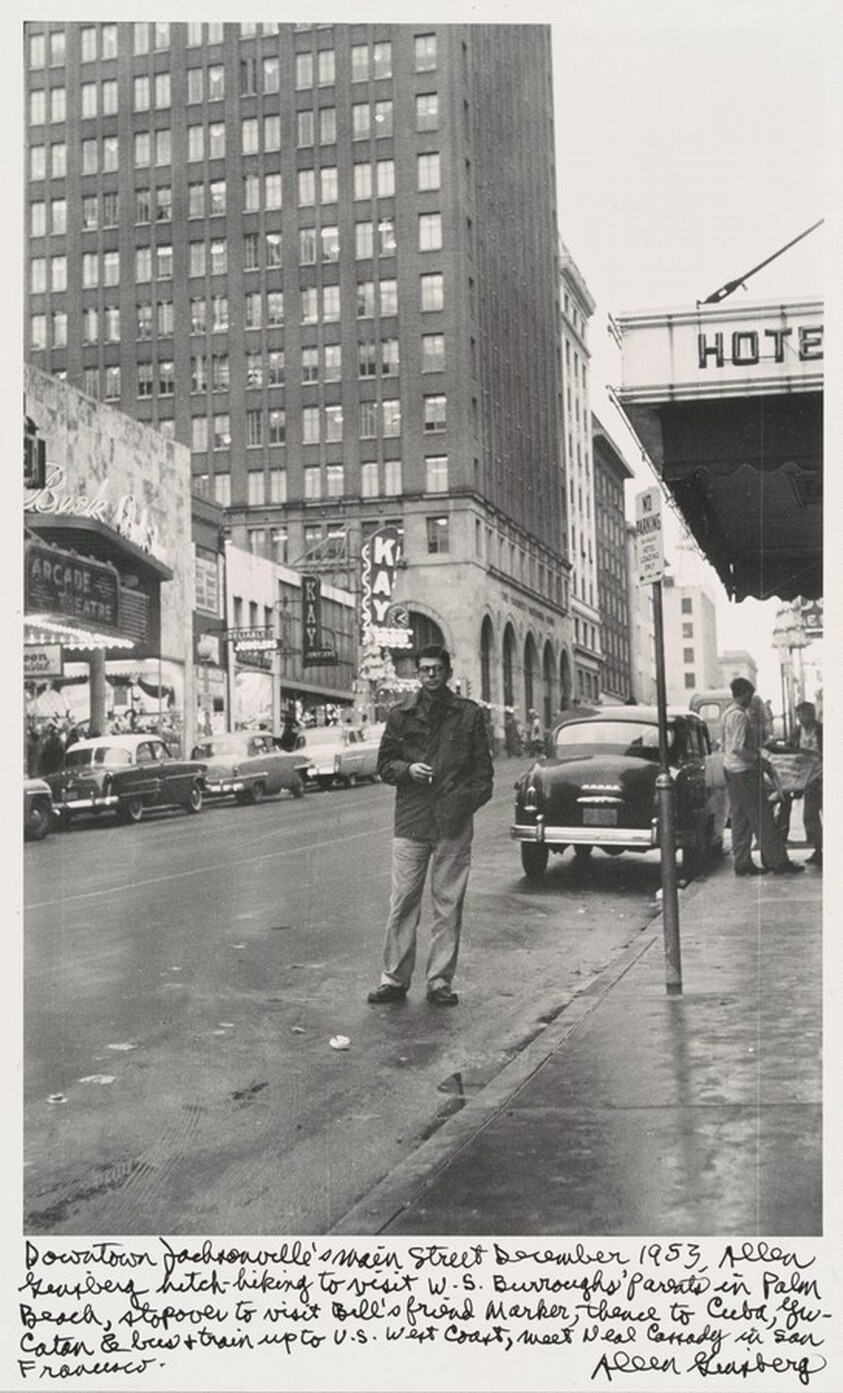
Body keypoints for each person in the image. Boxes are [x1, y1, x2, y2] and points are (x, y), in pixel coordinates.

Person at [367, 645, 494, 1007]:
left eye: (437, 669)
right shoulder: (400, 715)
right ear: (417, 674)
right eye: (425, 669)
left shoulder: (468, 714)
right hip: (412, 819)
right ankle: (393, 979)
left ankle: (439, 982)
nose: (431, 675)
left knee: (448, 904)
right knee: (403, 901)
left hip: (453, 823)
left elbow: (483, 776)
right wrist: (408, 770)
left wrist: (460, 804)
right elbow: (384, 764)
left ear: (447, 672)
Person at [722, 677, 803, 877]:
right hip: (745, 771)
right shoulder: (740, 716)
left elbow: (728, 746)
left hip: (731, 771)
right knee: (763, 817)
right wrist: (760, 761)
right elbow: (739, 748)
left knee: (740, 819)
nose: (751, 699)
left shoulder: (727, 714)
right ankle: (778, 861)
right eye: (750, 695)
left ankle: (742, 863)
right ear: (744, 694)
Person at [793, 701, 823, 867]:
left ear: (812, 715)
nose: (801, 718)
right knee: (810, 816)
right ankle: (818, 850)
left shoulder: (821, 730)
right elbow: (791, 750)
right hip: (808, 779)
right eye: (799, 714)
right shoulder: (797, 731)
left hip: (823, 776)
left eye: (804, 714)